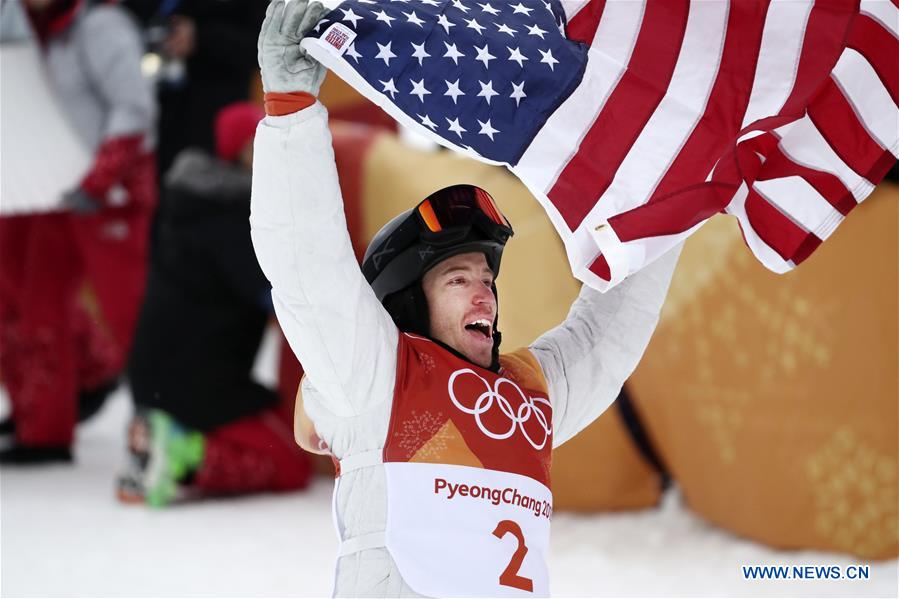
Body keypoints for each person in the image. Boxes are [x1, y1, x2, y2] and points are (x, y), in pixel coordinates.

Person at [251, 1, 682, 596]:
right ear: (404, 300)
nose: (484, 295)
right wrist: (291, 114)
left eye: (487, 280)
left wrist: (673, 201)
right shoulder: (374, 379)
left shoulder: (527, 393)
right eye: (457, 279)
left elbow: (610, 332)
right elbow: (308, 265)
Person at [119, 102, 312, 507]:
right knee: (292, 459)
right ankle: (181, 457)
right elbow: (283, 301)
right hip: (196, 382)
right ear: (239, 151)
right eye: (261, 145)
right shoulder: (233, 216)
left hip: (163, 379)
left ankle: (160, 435)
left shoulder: (194, 205)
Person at [0, 0, 156, 464]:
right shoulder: (33, 32)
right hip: (61, 191)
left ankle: (165, 427)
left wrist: (102, 177)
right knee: (38, 307)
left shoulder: (100, 26)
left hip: (113, 194)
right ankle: (44, 429)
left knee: (130, 316)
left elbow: (135, 107)